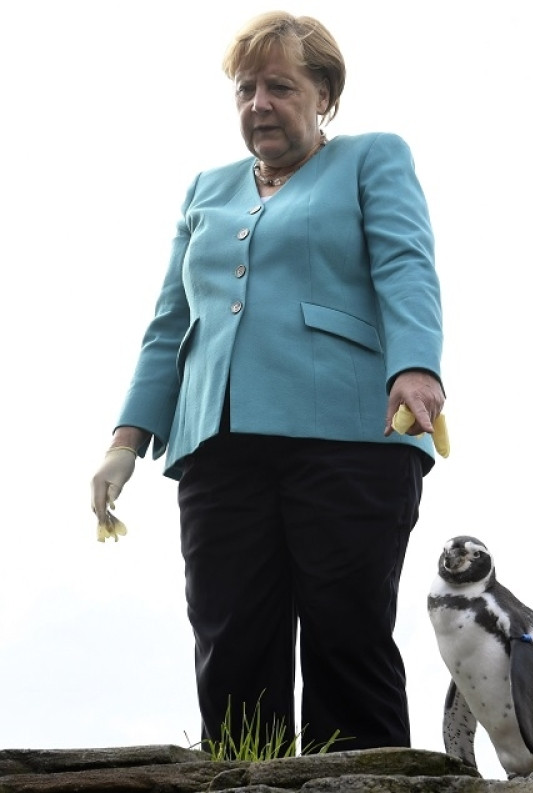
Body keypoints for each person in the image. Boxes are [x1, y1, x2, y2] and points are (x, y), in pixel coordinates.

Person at [89, 10, 445, 755]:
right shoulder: (205, 190)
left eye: (279, 86)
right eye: (246, 88)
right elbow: (168, 321)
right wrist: (127, 439)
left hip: (351, 435)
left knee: (346, 632)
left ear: (324, 95)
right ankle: (243, 775)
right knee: (230, 641)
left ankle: (364, 780)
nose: (259, 103)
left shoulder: (372, 158)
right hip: (216, 444)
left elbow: (405, 264)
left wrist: (415, 363)